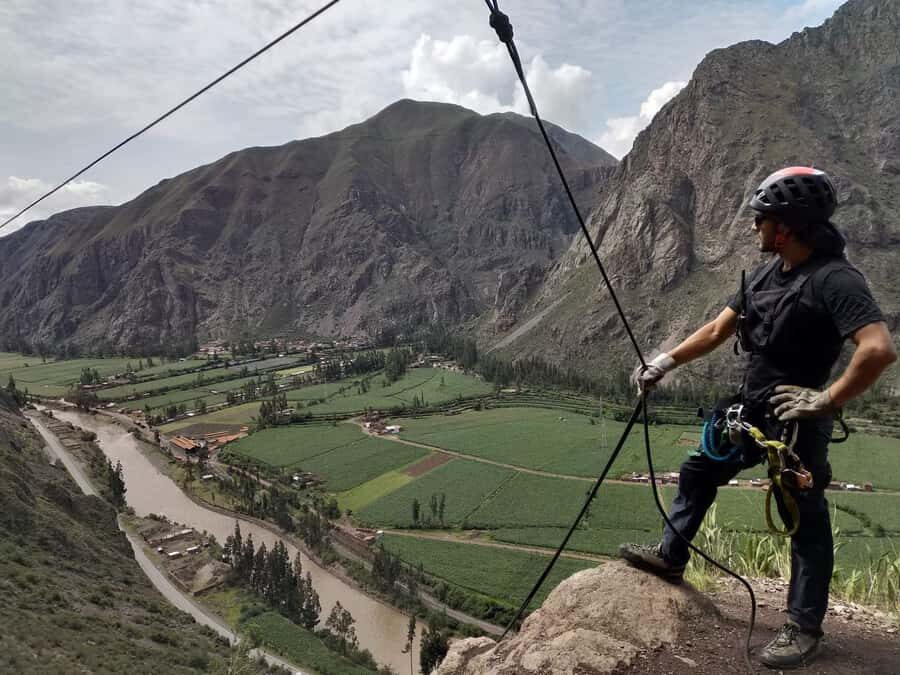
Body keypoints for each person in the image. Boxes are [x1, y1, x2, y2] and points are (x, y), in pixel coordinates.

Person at [618, 167, 896, 669]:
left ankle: (804, 627)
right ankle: (672, 554)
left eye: (761, 219)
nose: (754, 228)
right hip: (750, 409)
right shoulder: (772, 271)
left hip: (796, 422)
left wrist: (826, 399)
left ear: (785, 226)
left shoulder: (836, 279)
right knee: (701, 469)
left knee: (803, 516)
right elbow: (719, 328)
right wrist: (665, 361)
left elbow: (877, 349)